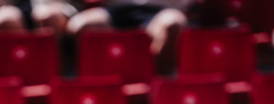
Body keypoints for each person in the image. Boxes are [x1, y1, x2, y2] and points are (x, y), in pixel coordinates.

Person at [64, 0, 196, 73]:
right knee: (80, 26)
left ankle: (157, 87)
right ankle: (99, 87)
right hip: (118, 8)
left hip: (162, 9)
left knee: (172, 24)